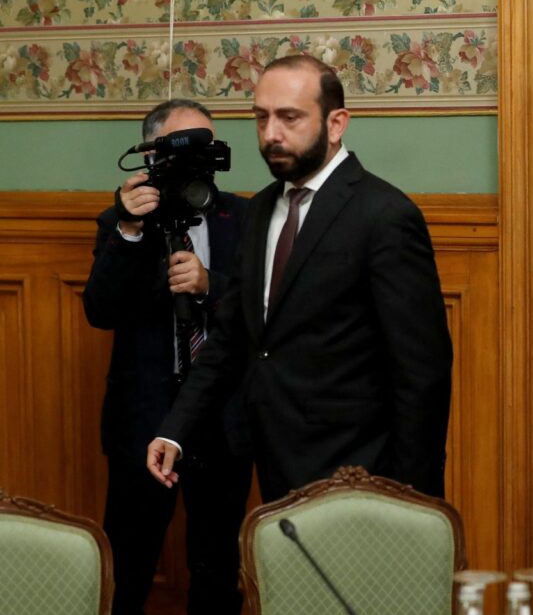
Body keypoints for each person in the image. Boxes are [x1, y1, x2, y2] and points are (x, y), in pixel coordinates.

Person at [146, 54, 453, 503]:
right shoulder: (260, 211)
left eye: (290, 117)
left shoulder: (385, 216)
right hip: (275, 467)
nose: (272, 134)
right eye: (261, 118)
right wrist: (175, 432)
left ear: (336, 123)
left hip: (364, 476)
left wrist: (409, 497)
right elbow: (232, 336)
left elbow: (421, 373)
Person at [83, 99, 252, 615]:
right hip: (144, 419)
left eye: (206, 146)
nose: (196, 161)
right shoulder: (122, 222)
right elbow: (100, 310)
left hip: (221, 420)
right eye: (182, 149)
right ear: (152, 156)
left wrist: (210, 286)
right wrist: (130, 231)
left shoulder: (243, 217)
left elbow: (265, 310)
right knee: (128, 570)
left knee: (218, 570)